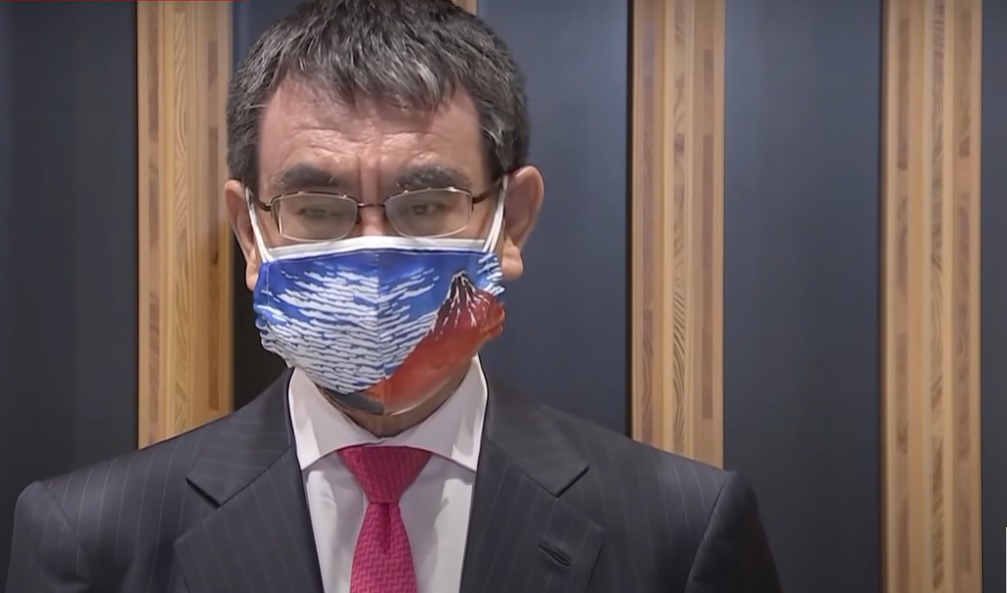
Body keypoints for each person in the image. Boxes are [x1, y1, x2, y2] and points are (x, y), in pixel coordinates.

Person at [5, 1, 782, 592]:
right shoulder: (89, 542)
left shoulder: (681, 531)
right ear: (251, 234)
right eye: (317, 208)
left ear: (510, 221)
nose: (370, 249)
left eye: (426, 203)